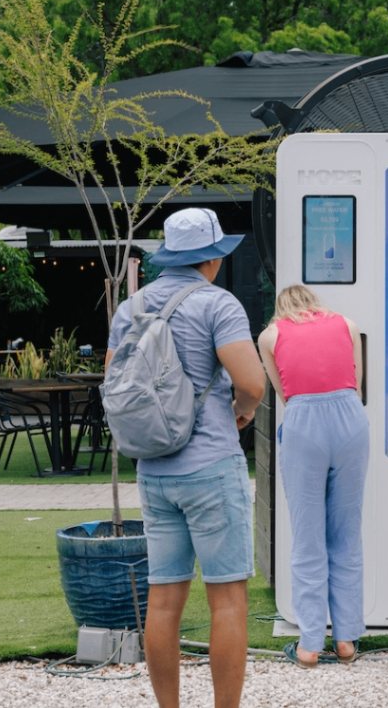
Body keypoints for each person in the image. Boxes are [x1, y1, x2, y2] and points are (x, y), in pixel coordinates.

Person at [105, 208, 265, 708]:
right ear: (213, 258)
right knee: (227, 600)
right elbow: (252, 382)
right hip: (211, 466)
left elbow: (113, 380)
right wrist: (242, 412)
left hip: (154, 470)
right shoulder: (219, 305)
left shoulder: (130, 307)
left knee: (164, 599)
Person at [257, 285, 368, 667]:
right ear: (314, 304)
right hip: (351, 419)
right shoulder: (347, 325)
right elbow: (357, 380)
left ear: (281, 308)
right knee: (346, 534)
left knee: (307, 537)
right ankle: (347, 640)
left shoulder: (269, 336)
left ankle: (308, 644)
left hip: (304, 421)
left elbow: (282, 392)